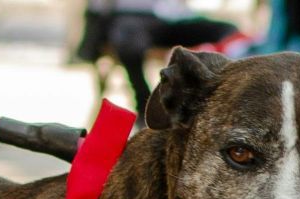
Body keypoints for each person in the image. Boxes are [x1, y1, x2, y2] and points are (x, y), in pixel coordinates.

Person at [75, 0, 240, 116]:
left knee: (228, 30)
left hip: (167, 19)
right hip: (125, 18)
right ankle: (144, 102)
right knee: (129, 40)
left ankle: (207, 101)